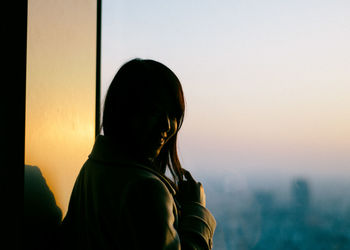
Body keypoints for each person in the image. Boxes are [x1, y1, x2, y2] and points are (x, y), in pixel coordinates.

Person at [61, 58, 216, 249]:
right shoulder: (147, 189)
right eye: (154, 111)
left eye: (173, 114)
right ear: (123, 112)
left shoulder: (92, 169)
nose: (167, 125)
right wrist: (196, 212)